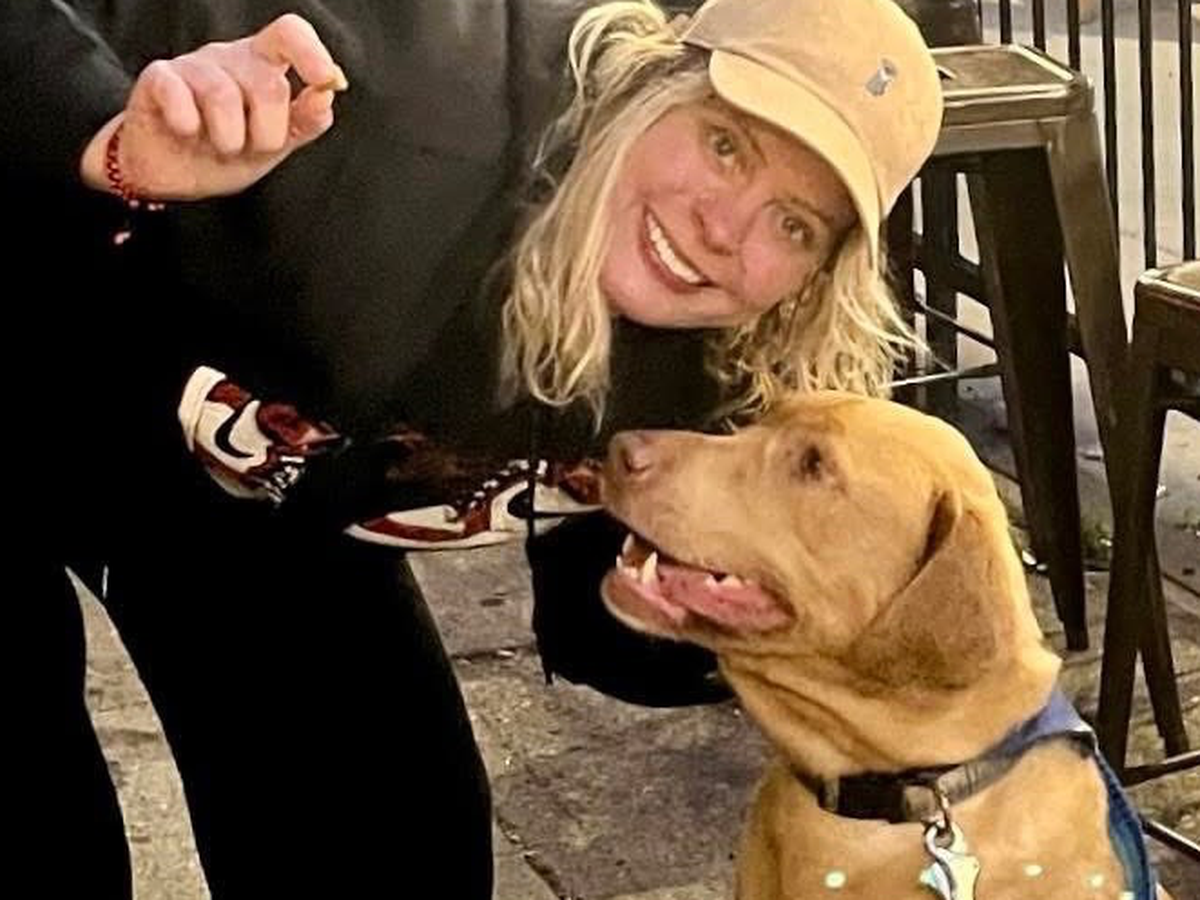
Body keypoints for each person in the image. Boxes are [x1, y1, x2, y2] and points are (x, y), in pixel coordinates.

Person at [19, 0, 942, 896]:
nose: (724, 229)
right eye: (726, 144)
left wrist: (755, 625)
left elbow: (596, 627)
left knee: (392, 852)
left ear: (820, 279)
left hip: (252, 501)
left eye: (794, 223)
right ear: (650, 83)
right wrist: (108, 142)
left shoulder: (732, 373)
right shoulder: (382, 84)